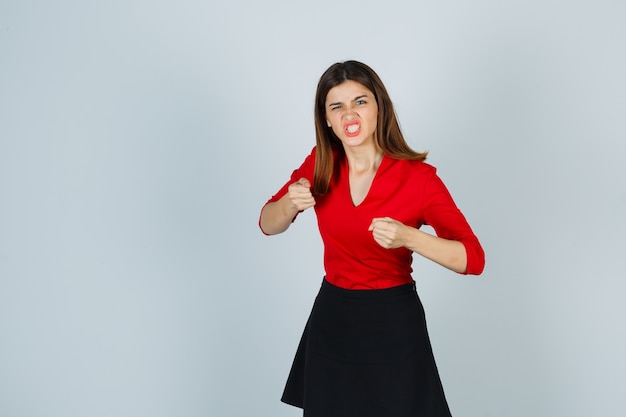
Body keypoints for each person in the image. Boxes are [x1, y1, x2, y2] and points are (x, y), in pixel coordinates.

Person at [259, 60, 485, 417]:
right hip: (333, 318)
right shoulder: (321, 162)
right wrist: (289, 202)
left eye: (360, 101)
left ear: (380, 106)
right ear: (327, 119)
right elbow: (268, 223)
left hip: (394, 322)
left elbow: (473, 258)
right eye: (338, 106)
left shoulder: (419, 178)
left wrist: (409, 237)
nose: (350, 113)